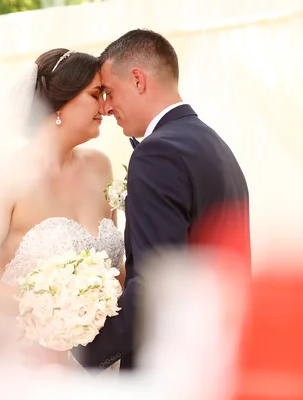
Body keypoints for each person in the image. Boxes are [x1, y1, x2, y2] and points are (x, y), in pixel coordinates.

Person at [73, 29, 251, 371]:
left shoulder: (158, 153)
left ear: (138, 79)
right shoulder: (213, 143)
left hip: (170, 367)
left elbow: (156, 284)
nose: (107, 107)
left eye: (109, 91)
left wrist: (83, 357)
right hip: (217, 358)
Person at [0, 48, 125, 368]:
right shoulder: (6, 179)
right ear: (61, 103)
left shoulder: (101, 167)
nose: (105, 106)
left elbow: (118, 270)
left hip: (103, 362)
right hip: (30, 362)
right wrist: (50, 307)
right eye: (95, 94)